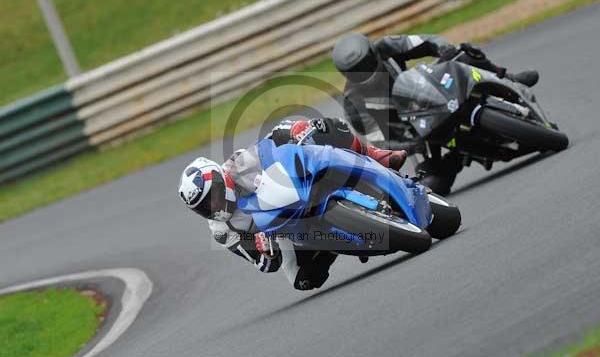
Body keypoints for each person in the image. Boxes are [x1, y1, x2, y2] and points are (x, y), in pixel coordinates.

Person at [177, 117, 407, 291]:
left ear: (219, 178)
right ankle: (342, 239)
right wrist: (264, 250)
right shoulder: (221, 230)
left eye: (213, 196)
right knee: (305, 279)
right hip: (284, 231)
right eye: (204, 207)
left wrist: (296, 129)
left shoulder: (239, 164)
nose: (213, 205)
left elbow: (271, 140)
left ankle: (376, 155)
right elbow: (264, 264)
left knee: (326, 129)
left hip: (296, 188)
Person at [332, 32, 539, 144]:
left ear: (373, 53)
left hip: (426, 89)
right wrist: (409, 143)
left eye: (366, 63)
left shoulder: (386, 46)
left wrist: (444, 48)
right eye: (356, 71)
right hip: (414, 128)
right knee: (435, 179)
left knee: (465, 53)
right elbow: (379, 141)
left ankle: (509, 78)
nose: (365, 72)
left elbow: (426, 41)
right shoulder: (354, 104)